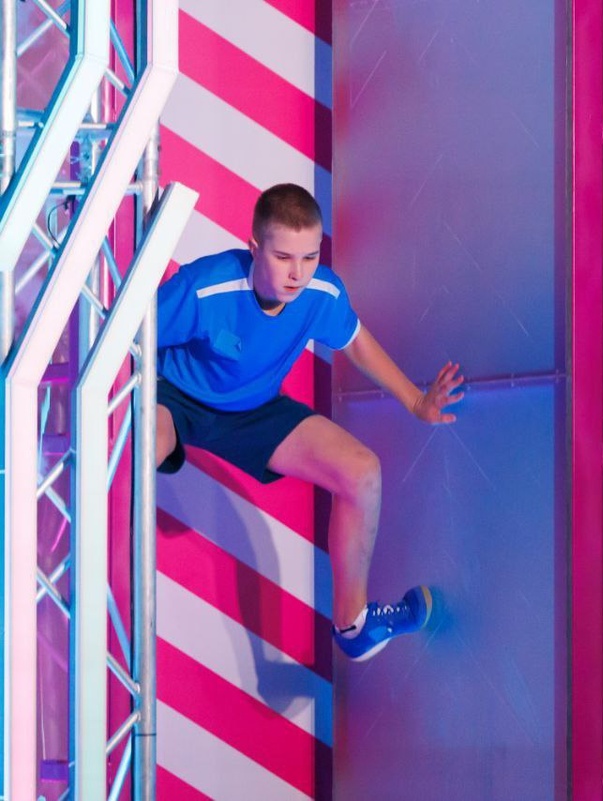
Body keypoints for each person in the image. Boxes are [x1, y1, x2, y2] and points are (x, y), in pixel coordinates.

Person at [155, 182, 464, 661]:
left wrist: (417, 401)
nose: (297, 273)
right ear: (254, 247)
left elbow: (356, 341)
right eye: (283, 257)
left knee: (362, 472)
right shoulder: (204, 287)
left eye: (310, 257)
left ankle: (355, 626)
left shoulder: (322, 291)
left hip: (254, 409)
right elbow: (129, 337)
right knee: (140, 450)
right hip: (174, 395)